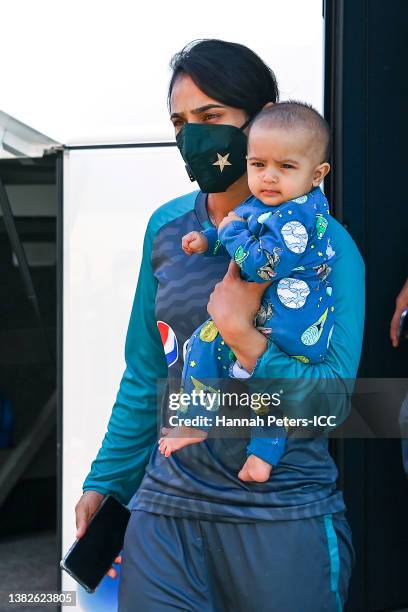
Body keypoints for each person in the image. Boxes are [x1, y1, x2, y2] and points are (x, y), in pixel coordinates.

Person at [75, 39, 364, 611]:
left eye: (211, 118)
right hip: (167, 512)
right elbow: (146, 372)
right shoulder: (167, 229)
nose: (193, 136)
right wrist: (106, 480)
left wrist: (241, 335)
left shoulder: (327, 248)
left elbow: (335, 402)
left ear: (260, 120)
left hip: (280, 511)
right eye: (180, 121)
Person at [158, 101, 335, 485]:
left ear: (317, 174)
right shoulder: (274, 201)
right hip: (278, 319)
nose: (269, 177)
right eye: (258, 165)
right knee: (267, 396)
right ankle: (261, 459)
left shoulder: (298, 215)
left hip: (290, 323)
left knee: (204, 347)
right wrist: (208, 241)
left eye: (285, 167)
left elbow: (262, 261)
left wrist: (226, 232)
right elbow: (243, 227)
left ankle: (196, 421)